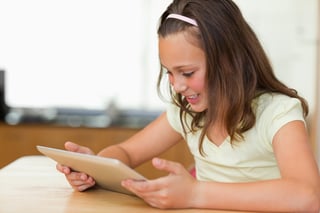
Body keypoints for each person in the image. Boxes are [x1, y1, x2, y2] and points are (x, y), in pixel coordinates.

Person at [56, 0, 320, 212]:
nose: (177, 86)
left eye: (187, 72)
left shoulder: (277, 113)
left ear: (228, 61)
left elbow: (308, 196)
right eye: (169, 72)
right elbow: (125, 151)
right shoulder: (186, 113)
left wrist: (195, 193)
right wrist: (95, 168)